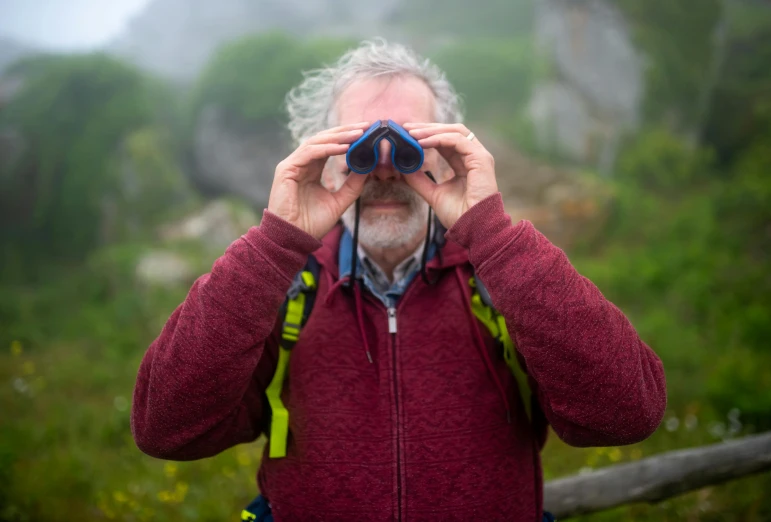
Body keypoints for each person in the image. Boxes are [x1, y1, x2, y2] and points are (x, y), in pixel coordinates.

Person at [131, 39, 666, 521]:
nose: (385, 168)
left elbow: (627, 414)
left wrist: (496, 238)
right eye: (358, 147)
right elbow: (166, 428)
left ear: (446, 149)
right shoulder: (284, 286)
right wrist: (274, 245)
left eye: (409, 143)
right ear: (322, 153)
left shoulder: (505, 277)